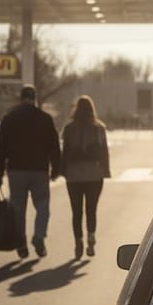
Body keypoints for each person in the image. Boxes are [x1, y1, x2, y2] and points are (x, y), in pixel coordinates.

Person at [0, 84, 61, 259]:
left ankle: (21, 243)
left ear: (21, 98)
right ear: (35, 99)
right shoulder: (45, 119)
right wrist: (56, 168)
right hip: (39, 170)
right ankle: (39, 237)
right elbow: (54, 146)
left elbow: (1, 148)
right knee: (42, 206)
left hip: (16, 170)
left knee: (18, 209)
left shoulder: (9, 118)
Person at [61, 95, 112, 259]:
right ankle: (91, 236)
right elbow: (104, 151)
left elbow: (65, 152)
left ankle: (78, 241)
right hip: (94, 174)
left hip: (74, 175)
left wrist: (62, 170)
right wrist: (106, 170)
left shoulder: (69, 128)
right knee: (91, 209)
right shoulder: (99, 128)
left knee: (76, 211)